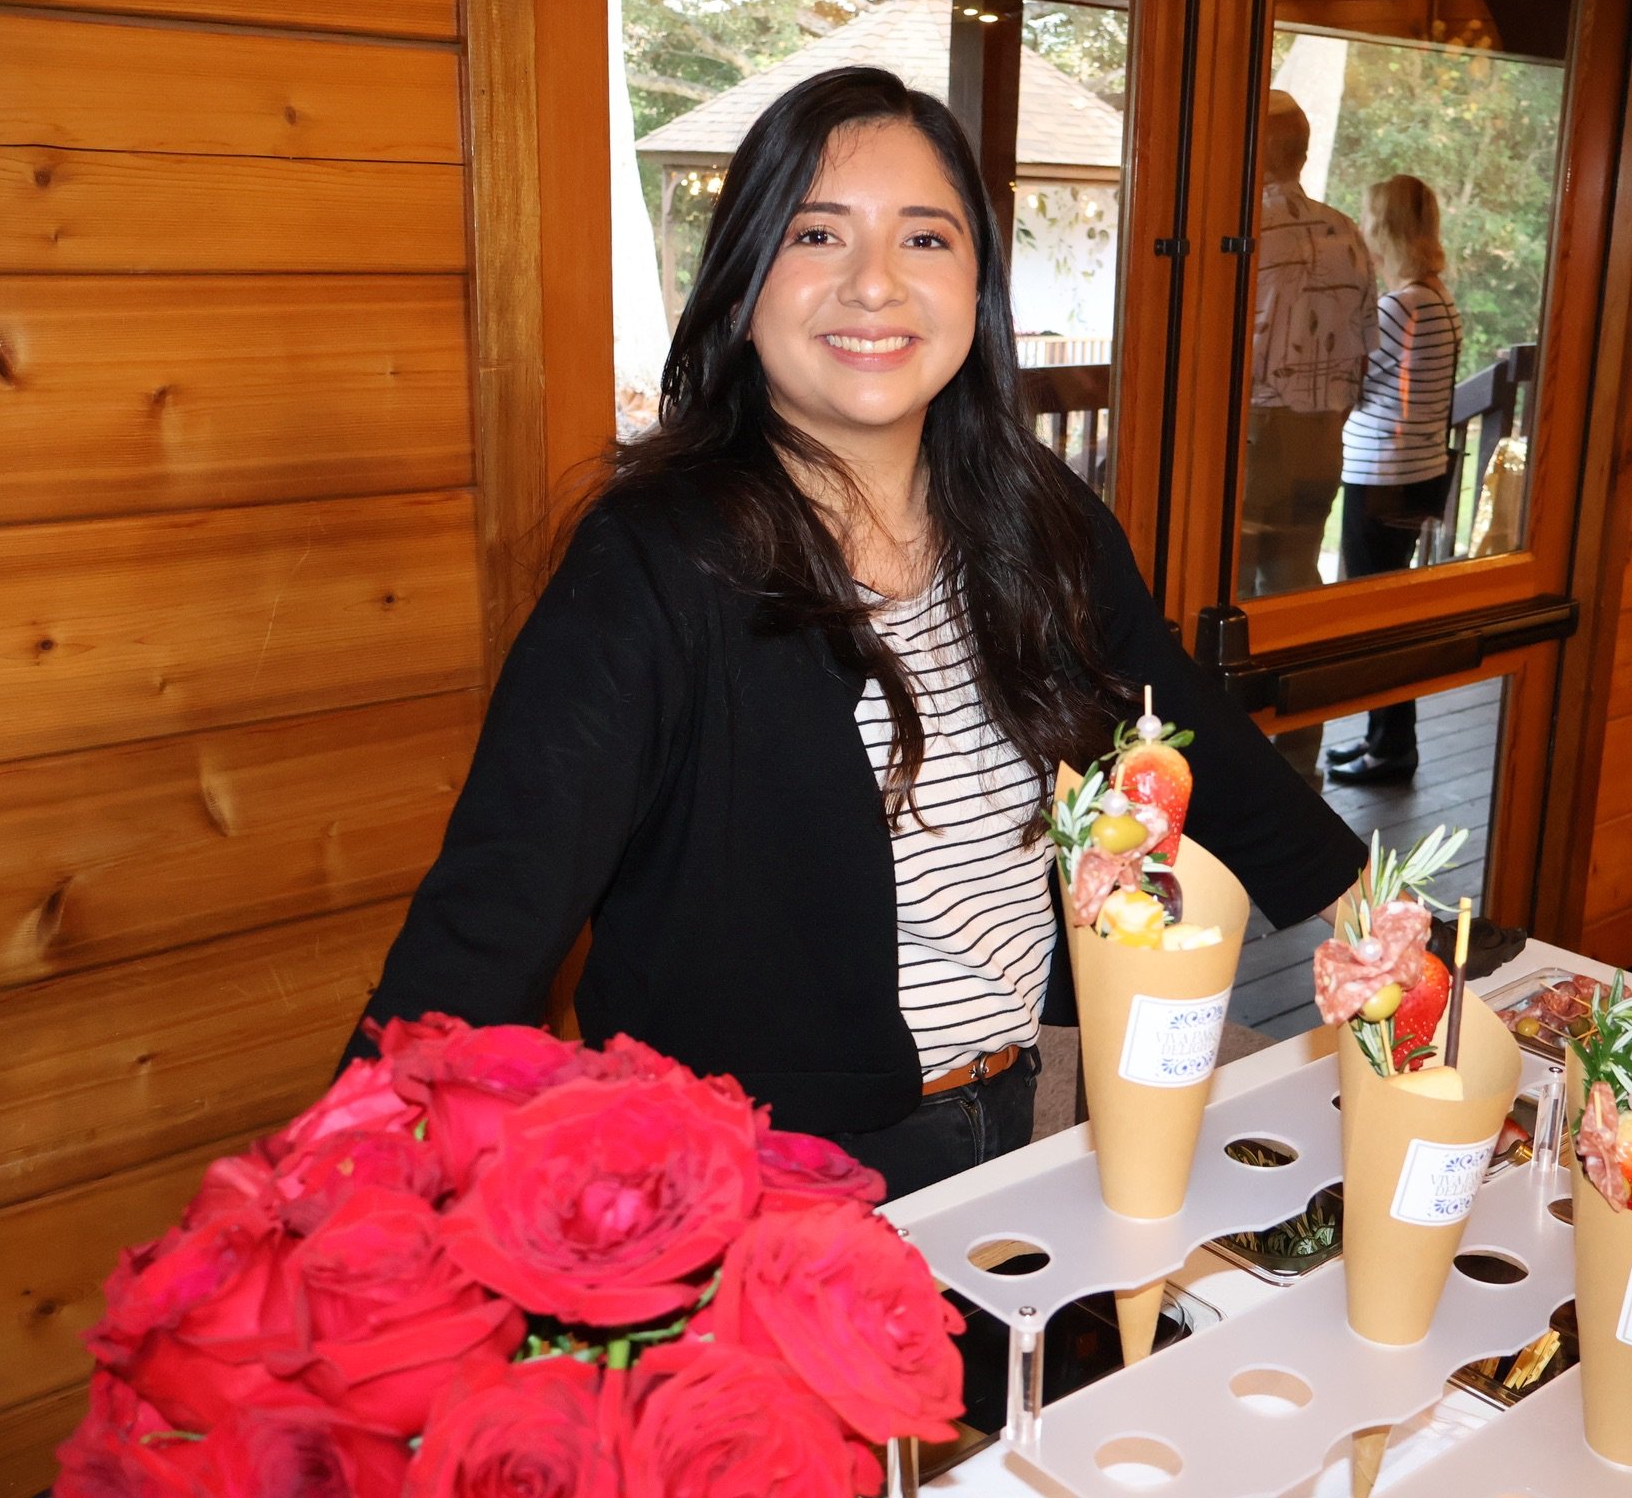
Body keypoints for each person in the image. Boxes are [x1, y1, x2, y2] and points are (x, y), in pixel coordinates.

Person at [344, 67, 1365, 1200]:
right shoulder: (654, 561)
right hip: (775, 1179)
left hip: (1040, 1111)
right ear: (741, 287)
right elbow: (490, 916)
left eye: (925, 240)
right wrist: (338, 1202)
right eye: (818, 234)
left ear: (977, 291)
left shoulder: (1036, 513)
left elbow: (1187, 728)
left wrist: (1370, 915)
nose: (874, 285)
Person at [1240, 89, 1375, 787]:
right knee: (1296, 593)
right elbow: (1367, 351)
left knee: (1224, 602)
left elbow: (1232, 352)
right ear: (1302, 151)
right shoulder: (1347, 232)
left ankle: (1226, 770)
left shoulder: (1246, 233)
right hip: (1323, 436)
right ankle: (1296, 764)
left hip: (1257, 432)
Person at [1328, 175, 1465, 786]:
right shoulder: (1438, 299)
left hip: (1382, 474)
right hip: (1421, 472)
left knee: (1372, 618)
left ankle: (1390, 748)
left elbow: (1352, 380)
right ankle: (1383, 740)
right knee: (1390, 612)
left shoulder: (1400, 306)